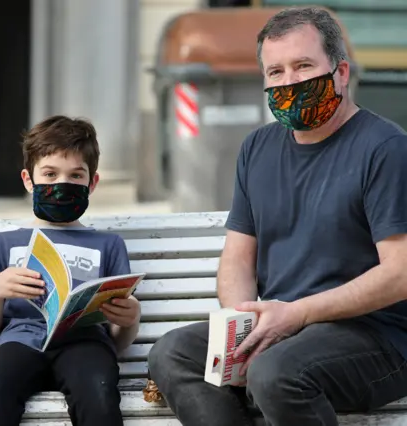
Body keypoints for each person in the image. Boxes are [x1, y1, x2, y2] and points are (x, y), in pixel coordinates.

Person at [147, 7, 407, 426]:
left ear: (341, 72)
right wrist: (243, 321)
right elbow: (237, 257)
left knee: (275, 373)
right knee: (172, 353)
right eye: (276, 72)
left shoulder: (386, 149)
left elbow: (400, 273)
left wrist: (298, 314)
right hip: (283, 330)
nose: (290, 82)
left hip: (374, 338)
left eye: (304, 66)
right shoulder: (257, 149)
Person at [0, 115, 141, 426]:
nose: (62, 185)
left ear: (92, 182)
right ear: (28, 180)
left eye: (76, 176)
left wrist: (129, 318)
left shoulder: (109, 244)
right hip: (17, 343)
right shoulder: (5, 244)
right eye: (50, 174)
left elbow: (119, 342)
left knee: (99, 397)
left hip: (85, 343)